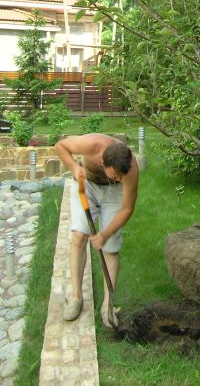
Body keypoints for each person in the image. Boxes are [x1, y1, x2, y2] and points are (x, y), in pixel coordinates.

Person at [55, 133, 139, 326]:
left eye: (120, 176)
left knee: (110, 247)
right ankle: (76, 298)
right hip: (88, 185)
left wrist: (105, 234)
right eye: (115, 174)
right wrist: (74, 167)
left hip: (114, 195)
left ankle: (107, 306)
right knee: (78, 236)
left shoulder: (130, 169)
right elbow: (60, 146)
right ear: (102, 161)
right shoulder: (92, 144)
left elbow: (127, 209)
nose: (118, 178)